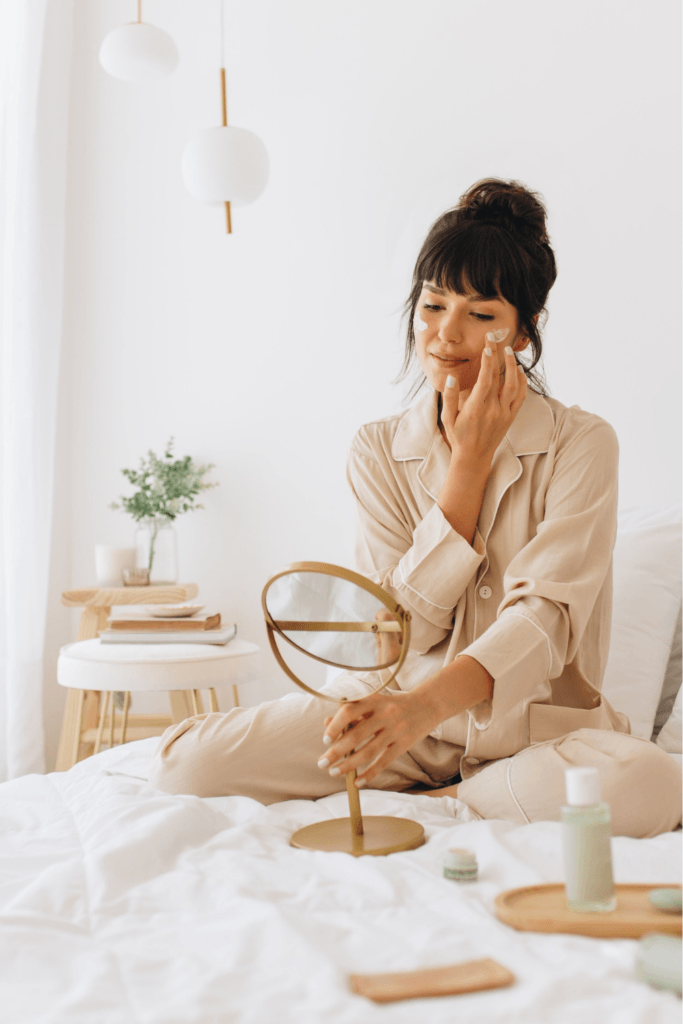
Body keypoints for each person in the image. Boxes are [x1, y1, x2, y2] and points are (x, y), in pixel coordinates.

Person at [149, 178, 681, 837]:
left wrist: (419, 709)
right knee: (185, 766)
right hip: (403, 720)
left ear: (522, 331)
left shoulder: (581, 444)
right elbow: (393, 633)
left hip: (539, 739)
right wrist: (465, 470)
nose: (445, 334)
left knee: (650, 784)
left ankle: (452, 801)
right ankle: (472, 792)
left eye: (480, 315)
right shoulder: (377, 450)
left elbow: (543, 622)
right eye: (432, 306)